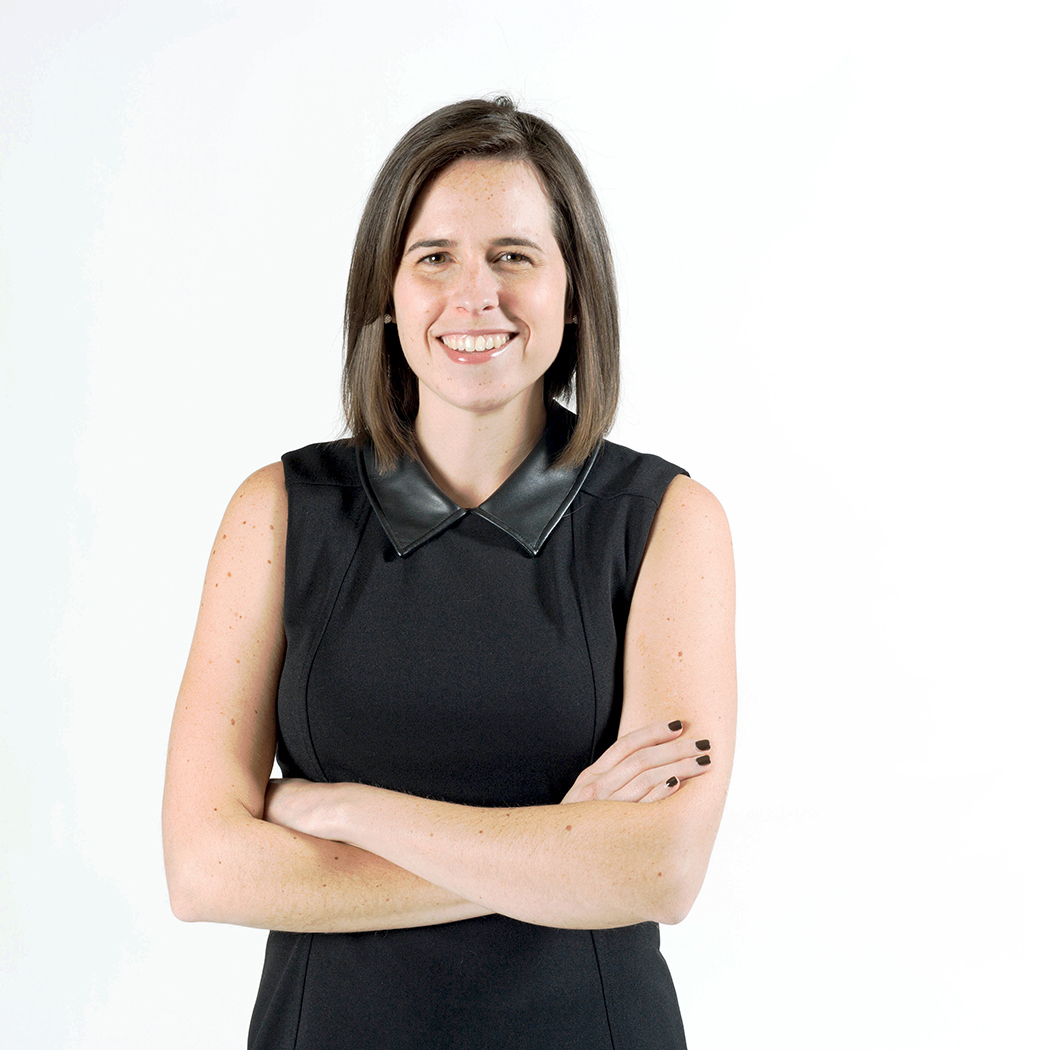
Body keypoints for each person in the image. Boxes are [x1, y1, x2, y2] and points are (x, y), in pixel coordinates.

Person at [162, 96, 736, 1049]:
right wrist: (558, 847)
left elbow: (660, 873)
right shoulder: (278, 513)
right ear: (386, 291)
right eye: (436, 257)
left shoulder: (668, 522)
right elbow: (205, 870)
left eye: (514, 255)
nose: (477, 295)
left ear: (573, 289)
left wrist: (343, 809)